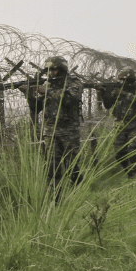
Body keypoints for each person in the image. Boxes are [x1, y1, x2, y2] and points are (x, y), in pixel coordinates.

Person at [22, 56, 83, 188]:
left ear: (62, 69)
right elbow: (36, 107)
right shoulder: (48, 84)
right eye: (49, 70)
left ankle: (78, 187)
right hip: (50, 131)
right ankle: (55, 197)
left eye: (54, 69)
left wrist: (47, 91)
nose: (51, 73)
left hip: (69, 130)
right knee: (52, 166)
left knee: (71, 165)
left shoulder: (74, 82)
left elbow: (69, 98)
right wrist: (28, 93)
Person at [98, 69, 136, 177]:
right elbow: (107, 105)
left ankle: (133, 173)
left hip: (135, 123)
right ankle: (128, 170)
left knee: (133, 148)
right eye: (120, 80)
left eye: (125, 80)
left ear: (131, 80)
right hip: (119, 123)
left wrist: (125, 94)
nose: (122, 82)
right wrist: (102, 92)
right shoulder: (117, 89)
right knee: (119, 152)